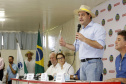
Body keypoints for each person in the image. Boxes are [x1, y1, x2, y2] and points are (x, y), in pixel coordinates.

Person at [60, 5, 106, 81]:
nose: (80, 17)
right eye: (79, 15)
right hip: (83, 64)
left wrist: (84, 39)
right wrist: (65, 44)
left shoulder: (97, 27)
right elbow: (75, 47)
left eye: (83, 15)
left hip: (93, 63)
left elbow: (100, 45)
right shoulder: (81, 31)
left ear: (89, 16)